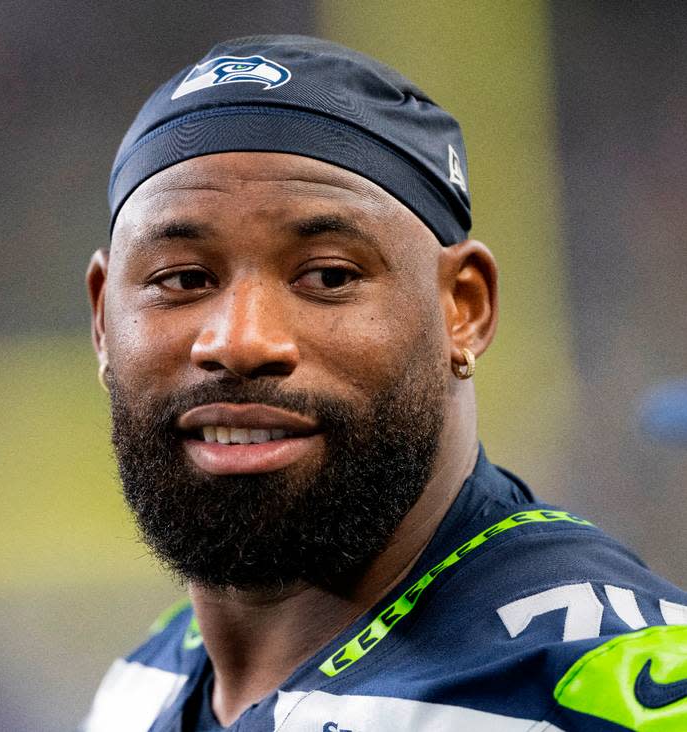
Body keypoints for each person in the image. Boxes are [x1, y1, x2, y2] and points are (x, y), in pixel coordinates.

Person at [80, 35, 687, 732]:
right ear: (102, 319)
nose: (241, 340)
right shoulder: (138, 687)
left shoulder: (608, 689)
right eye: (182, 280)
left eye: (329, 276)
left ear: (464, 308)